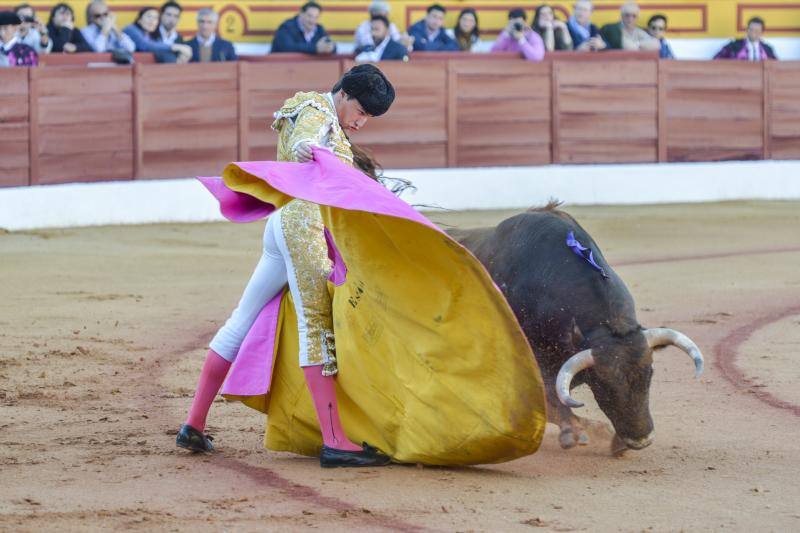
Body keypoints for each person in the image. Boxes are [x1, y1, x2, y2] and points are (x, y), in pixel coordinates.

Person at [178, 64, 397, 467]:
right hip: (304, 225)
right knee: (316, 324)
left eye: (369, 117)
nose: (361, 122)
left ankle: (193, 424)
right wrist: (311, 148)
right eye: (361, 111)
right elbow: (307, 139)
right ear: (344, 94)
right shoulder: (319, 113)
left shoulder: (314, 108)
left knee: (240, 320)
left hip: (282, 221)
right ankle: (334, 441)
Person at [123, 7, 192, 62]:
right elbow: (144, 45)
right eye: (149, 16)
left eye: (155, 18)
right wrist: (174, 47)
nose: (152, 21)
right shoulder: (131, 29)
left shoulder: (152, 36)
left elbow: (160, 51)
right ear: (139, 20)